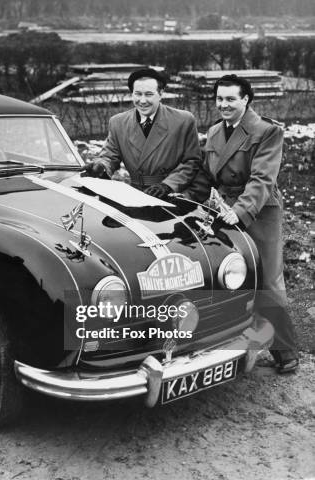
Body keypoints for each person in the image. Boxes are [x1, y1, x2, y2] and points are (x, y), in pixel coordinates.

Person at [187, 74, 299, 374]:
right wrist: (182, 198)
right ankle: (227, 343)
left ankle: (286, 352)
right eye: (219, 99)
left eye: (230, 99)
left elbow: (263, 178)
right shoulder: (213, 133)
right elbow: (206, 176)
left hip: (259, 210)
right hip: (227, 210)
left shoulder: (266, 131)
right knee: (228, 272)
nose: (223, 104)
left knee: (267, 279)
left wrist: (241, 211)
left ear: (246, 99)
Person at [83, 68, 201, 198]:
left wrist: (168, 185)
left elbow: (192, 162)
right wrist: (101, 166)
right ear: (131, 94)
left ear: (161, 93)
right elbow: (110, 156)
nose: (143, 101)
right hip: (136, 195)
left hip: (173, 194)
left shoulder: (183, 120)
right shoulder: (118, 122)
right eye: (138, 94)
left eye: (149, 94)